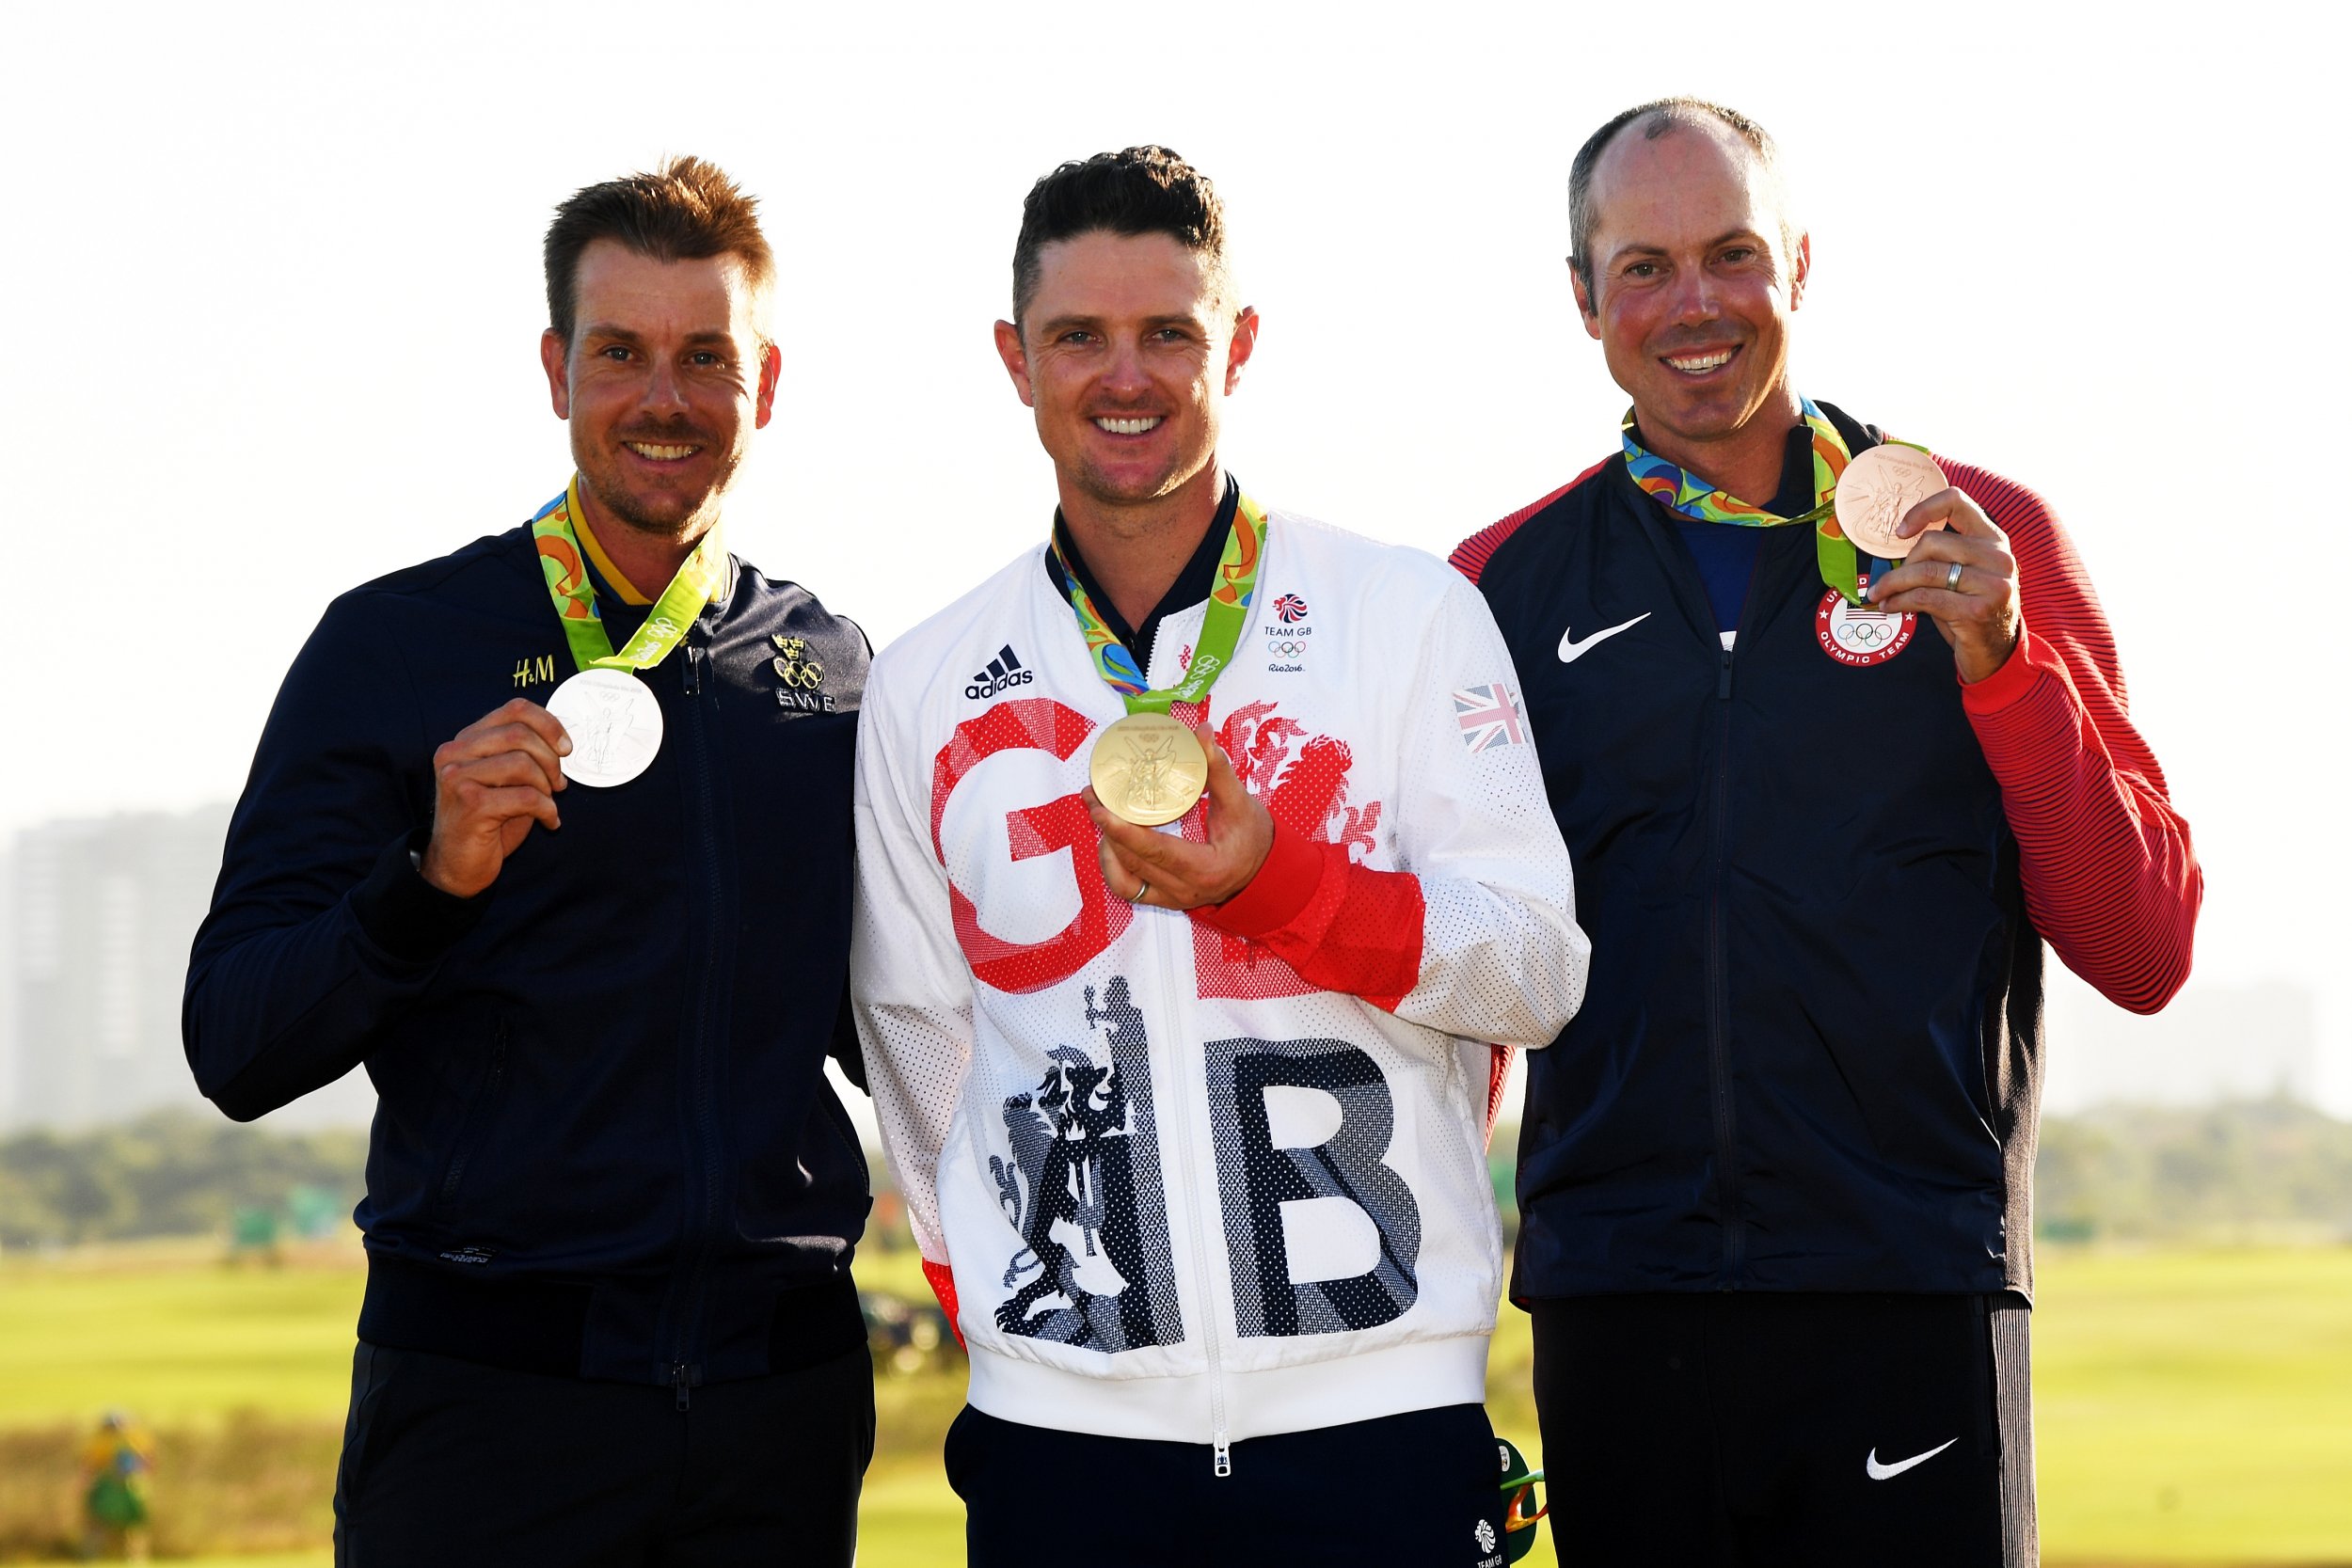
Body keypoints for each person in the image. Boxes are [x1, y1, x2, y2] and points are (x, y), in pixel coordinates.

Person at [1452, 100, 2203, 1566]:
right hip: (1622, 1306)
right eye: (1645, 264)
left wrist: (2003, 659)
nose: (1694, 304)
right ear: (1582, 293)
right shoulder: (1499, 587)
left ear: (1797, 261)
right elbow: (1470, 994)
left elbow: (2145, 941)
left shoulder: (1985, 537)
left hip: (1907, 1294)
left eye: (1732, 253)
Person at [851, 145, 1589, 1566]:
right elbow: (916, 1036)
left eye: (1168, 333)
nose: (1125, 377)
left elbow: (1537, 969)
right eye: (1080, 335)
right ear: (1016, 358)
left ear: (1236, 343)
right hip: (1062, 1440)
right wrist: (1029, 1330)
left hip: (1381, 1418)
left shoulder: (1404, 614)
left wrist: (1280, 889)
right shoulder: (929, 677)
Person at [183, 157, 874, 1567]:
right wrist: (424, 879)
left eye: (706, 358)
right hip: (491, 1412)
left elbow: (904, 1029)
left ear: (768, 381)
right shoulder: (394, 645)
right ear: (557, 366)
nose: (664, 399)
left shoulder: (837, 670)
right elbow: (234, 1037)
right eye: (620, 353)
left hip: (778, 1410)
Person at [80, 1411, 154, 1562]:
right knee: (133, 1529)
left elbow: (89, 1467)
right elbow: (148, 1464)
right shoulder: (135, 1439)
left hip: (110, 1489)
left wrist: (83, 1485)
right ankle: (136, 1560)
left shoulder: (101, 1441)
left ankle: (90, 1559)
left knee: (98, 1526)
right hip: (131, 1489)